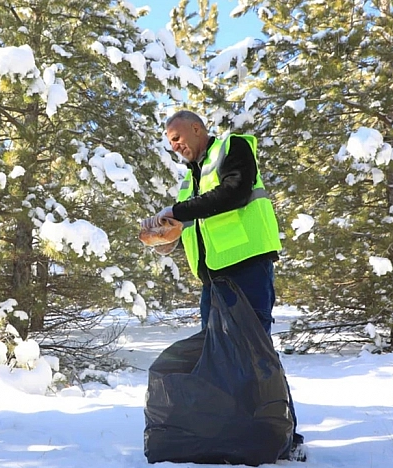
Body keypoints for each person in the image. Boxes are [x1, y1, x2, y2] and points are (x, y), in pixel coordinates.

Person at [142, 110, 305, 461]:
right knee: (220, 356)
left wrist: (177, 211)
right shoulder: (191, 179)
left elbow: (234, 192)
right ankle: (236, 433)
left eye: (178, 138)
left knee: (256, 353)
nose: (175, 147)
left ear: (197, 129)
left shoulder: (233, 149)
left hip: (246, 269)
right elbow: (196, 224)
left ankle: (285, 439)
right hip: (213, 279)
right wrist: (167, 238)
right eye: (170, 143)